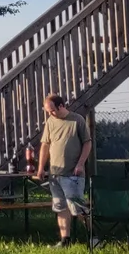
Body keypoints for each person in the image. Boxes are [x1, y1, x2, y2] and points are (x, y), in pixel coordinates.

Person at [32, 93, 93, 247]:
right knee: (60, 207)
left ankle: (93, 236)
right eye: (48, 111)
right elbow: (45, 145)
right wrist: (41, 168)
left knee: (77, 208)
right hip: (55, 174)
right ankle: (65, 240)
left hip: (73, 174)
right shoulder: (50, 122)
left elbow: (87, 143)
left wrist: (80, 164)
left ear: (61, 106)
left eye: (52, 110)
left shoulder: (76, 120)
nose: (50, 113)